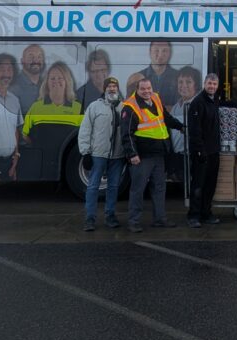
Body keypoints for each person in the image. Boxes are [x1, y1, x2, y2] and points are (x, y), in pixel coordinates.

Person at [122, 78, 185, 232]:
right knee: (138, 189)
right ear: (137, 89)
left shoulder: (155, 98)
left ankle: (160, 219)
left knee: (159, 188)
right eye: (143, 89)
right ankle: (134, 222)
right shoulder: (130, 107)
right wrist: (132, 154)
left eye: (149, 88)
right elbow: (126, 134)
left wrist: (180, 126)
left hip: (159, 154)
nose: (147, 91)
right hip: (142, 157)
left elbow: (166, 118)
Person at [77, 76, 125, 231]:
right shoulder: (94, 107)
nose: (112, 89)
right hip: (98, 154)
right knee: (92, 187)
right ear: (104, 89)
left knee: (113, 186)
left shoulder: (123, 107)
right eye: (109, 86)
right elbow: (85, 130)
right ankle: (90, 218)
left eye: (114, 86)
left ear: (118, 89)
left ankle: (110, 216)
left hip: (118, 155)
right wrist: (85, 152)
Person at [186, 72, 222, 228]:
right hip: (201, 152)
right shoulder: (198, 103)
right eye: (210, 84)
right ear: (204, 84)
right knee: (198, 185)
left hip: (214, 151)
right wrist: (200, 151)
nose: (212, 87)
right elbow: (194, 130)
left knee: (210, 185)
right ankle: (193, 215)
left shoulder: (214, 101)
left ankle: (206, 213)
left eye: (214, 84)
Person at [22, 61, 82, 137]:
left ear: (67, 82)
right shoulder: (36, 107)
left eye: (60, 78)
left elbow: (84, 136)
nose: (56, 81)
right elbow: (25, 135)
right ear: (47, 83)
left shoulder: (78, 108)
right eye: (52, 78)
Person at [139, 41, 179, 108]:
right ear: (150, 52)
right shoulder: (139, 77)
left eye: (164, 51)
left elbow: (182, 103)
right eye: (156, 50)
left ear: (170, 53)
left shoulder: (178, 76)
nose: (160, 54)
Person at [9, 44, 45, 114]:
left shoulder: (48, 84)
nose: (35, 60)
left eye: (39, 57)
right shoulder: (13, 87)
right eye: (31, 56)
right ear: (22, 61)